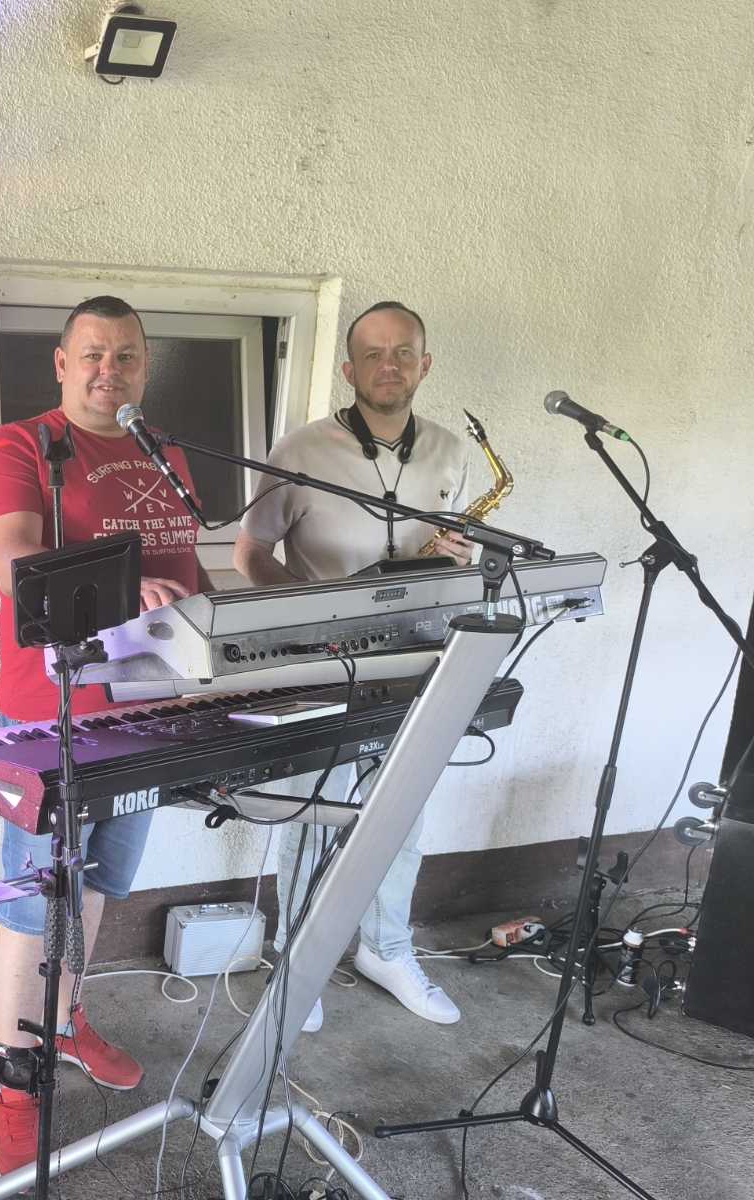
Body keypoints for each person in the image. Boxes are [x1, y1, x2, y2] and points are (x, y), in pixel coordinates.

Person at [0, 294, 210, 1175]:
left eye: (127, 356)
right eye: (94, 355)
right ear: (63, 364)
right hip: (53, 717)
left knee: (101, 879)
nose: (111, 371)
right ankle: (13, 1079)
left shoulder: (166, 452)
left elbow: (185, 571)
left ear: (145, 365)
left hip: (147, 711)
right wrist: (120, 596)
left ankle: (63, 1020)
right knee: (35, 898)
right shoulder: (21, 448)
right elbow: (15, 570)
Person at [234, 299, 472, 1030]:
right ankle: (295, 960)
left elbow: (449, 555)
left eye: (402, 352)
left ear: (424, 365)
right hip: (325, 665)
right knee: (312, 814)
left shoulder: (451, 451)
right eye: (373, 353)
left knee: (403, 812)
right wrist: (308, 619)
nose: (388, 365)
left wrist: (453, 561)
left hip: (417, 658)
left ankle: (386, 947)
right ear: (349, 369)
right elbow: (249, 553)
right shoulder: (300, 450)